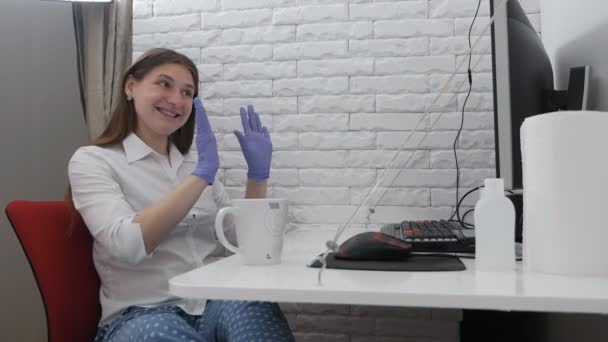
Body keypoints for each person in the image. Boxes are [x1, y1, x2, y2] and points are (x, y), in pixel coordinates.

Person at [67, 48, 295, 342]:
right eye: (164, 84)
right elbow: (126, 245)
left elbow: (243, 242)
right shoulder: (93, 161)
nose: (176, 99)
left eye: (187, 92)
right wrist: (200, 177)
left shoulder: (195, 163)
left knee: (252, 305)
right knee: (160, 332)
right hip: (141, 313)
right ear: (130, 87)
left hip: (214, 303)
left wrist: (257, 177)